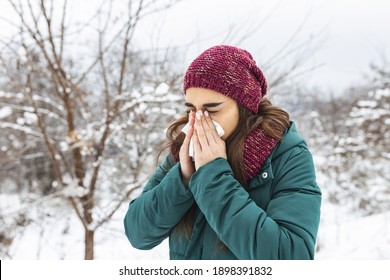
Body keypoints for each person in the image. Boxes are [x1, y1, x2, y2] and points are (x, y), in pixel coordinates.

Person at [124, 45, 321, 260]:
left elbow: (293, 256)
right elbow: (138, 234)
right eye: (191, 109)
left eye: (212, 110)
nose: (199, 120)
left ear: (245, 108)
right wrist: (183, 179)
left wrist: (212, 177)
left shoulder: (286, 154)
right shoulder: (185, 149)